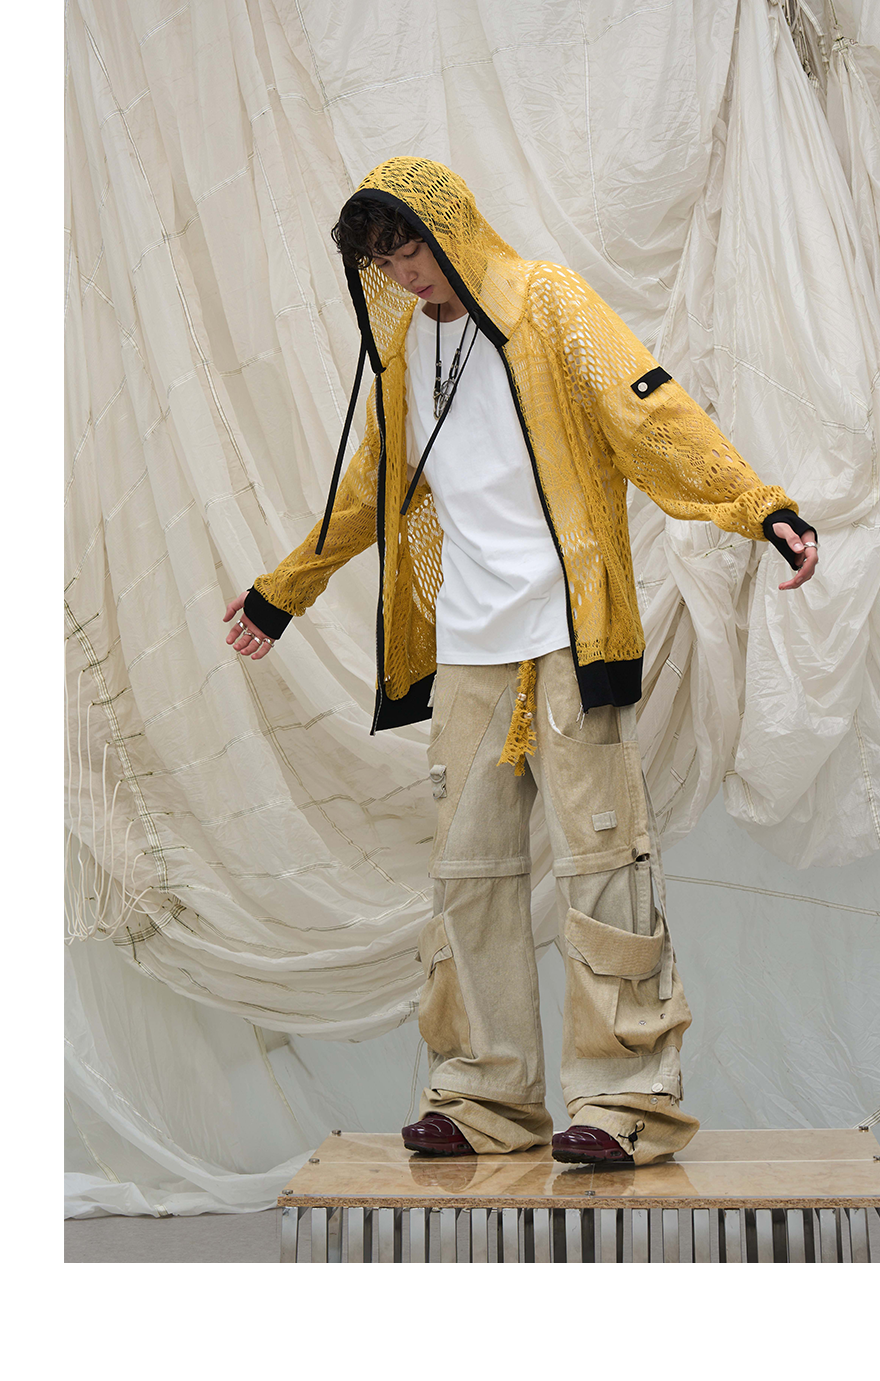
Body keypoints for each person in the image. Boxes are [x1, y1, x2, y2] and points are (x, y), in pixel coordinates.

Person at [223, 156, 817, 1168]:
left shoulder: (548, 302)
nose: (404, 272)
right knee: (470, 876)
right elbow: (371, 486)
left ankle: (626, 1101)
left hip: (568, 633)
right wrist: (284, 590)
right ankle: (485, 1096)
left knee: (603, 867)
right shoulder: (406, 346)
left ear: (450, 225)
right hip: (468, 646)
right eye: (384, 260)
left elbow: (648, 415)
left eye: (410, 247)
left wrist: (758, 505)